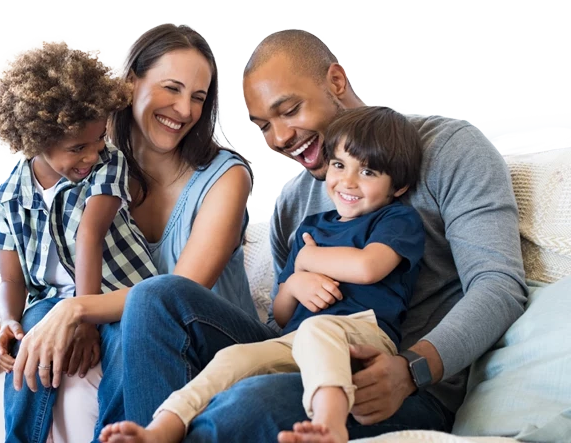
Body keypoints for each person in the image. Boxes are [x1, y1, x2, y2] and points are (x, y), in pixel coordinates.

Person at [100, 28, 528, 442]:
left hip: (396, 382)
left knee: (247, 405)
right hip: (300, 352)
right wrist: (293, 283)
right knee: (153, 296)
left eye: (289, 111)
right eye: (263, 125)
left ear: (336, 81)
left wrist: (412, 368)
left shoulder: (448, 149)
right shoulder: (294, 203)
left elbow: (498, 286)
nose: (280, 138)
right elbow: (283, 323)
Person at [0, 24, 257, 443]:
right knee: (41, 325)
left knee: (142, 308)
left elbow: (178, 293)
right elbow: (34, 268)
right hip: (133, 325)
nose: (185, 110)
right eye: (171, 88)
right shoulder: (86, 162)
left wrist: (77, 310)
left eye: (198, 97)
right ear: (130, 82)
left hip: (211, 338)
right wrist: (9, 328)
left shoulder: (224, 178)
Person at [98, 105, 426, 443]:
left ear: (398, 187)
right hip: (295, 340)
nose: (348, 181)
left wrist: (309, 259)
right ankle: (162, 428)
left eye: (368, 172)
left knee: (318, 328)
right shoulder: (311, 228)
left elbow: (368, 267)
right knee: (233, 358)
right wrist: (296, 280)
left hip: (363, 336)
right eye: (339, 165)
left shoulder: (395, 220)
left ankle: (330, 425)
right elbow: (282, 314)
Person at [0, 39, 158, 443]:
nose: (92, 153)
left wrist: (83, 317)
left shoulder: (107, 163)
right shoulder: (8, 196)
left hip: (120, 293)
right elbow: (10, 280)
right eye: (77, 147)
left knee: (123, 347)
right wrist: (7, 322)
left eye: (98, 138)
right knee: (30, 338)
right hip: (51, 301)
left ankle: (115, 436)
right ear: (35, 140)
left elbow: (89, 235)